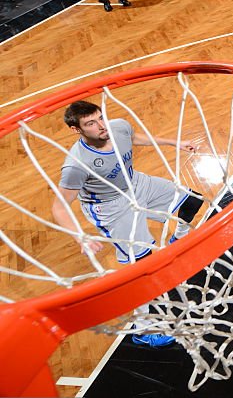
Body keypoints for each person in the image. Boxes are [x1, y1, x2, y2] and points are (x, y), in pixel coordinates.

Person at [53, 101, 204, 347]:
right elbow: (59, 206)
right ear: (76, 129)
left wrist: (173, 143)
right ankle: (142, 329)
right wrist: (80, 236)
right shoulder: (76, 165)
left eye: (100, 118)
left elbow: (137, 137)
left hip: (135, 183)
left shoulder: (118, 127)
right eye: (91, 123)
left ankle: (178, 238)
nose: (101, 126)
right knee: (142, 266)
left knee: (191, 201)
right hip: (110, 207)